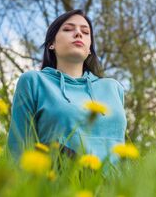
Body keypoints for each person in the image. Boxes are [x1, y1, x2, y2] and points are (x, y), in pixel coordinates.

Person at [7, 9, 127, 163]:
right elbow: (18, 148)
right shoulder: (33, 81)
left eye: (85, 32)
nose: (78, 34)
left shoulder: (113, 88)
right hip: (61, 179)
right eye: (68, 29)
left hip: (114, 182)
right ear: (51, 44)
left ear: (89, 48)